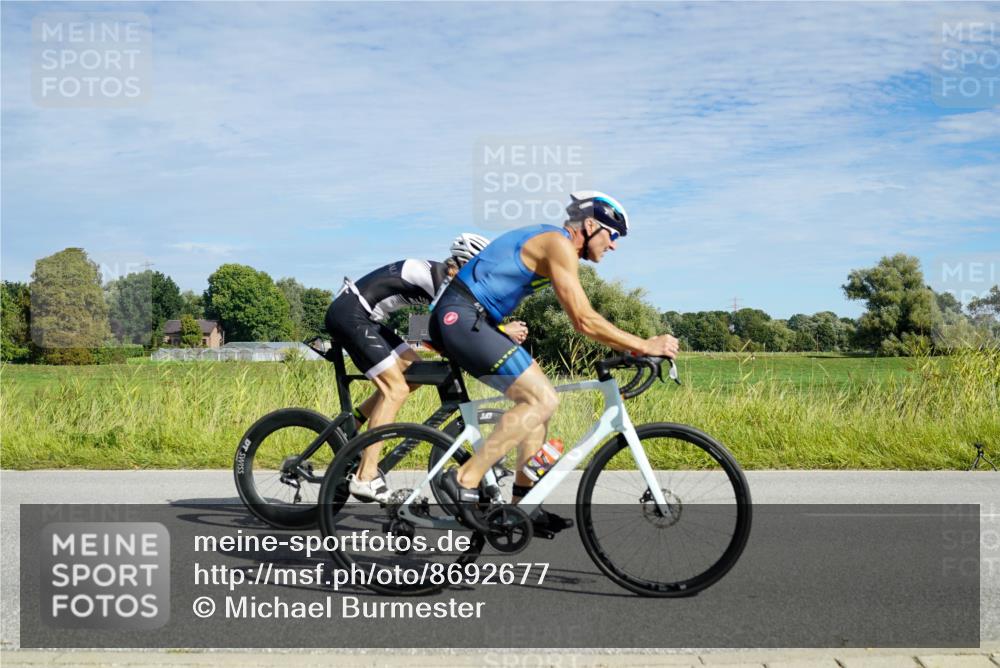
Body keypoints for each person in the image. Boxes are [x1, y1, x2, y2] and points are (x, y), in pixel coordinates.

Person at [429, 191, 679, 531]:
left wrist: (633, 347)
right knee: (541, 398)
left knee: (540, 399)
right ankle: (464, 479)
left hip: (475, 319)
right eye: (613, 235)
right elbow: (583, 320)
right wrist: (644, 344)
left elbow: (584, 319)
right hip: (462, 316)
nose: (615, 245)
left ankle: (523, 503)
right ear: (590, 225)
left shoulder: (558, 244)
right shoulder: (558, 243)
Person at [325, 233, 517, 503]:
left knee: (413, 374)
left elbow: (423, 330)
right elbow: (441, 331)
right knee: (396, 390)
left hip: (368, 318)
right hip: (350, 314)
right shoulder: (440, 280)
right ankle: (365, 477)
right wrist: (500, 331)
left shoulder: (444, 282)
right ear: (461, 265)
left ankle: (352, 423)